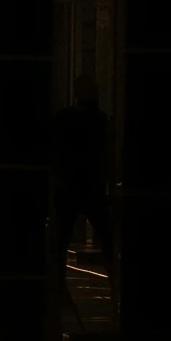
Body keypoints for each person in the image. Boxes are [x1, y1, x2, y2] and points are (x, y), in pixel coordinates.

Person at [49, 72, 114, 294]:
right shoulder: (99, 120)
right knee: (106, 238)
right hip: (89, 186)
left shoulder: (64, 118)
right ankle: (116, 284)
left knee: (61, 241)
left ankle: (58, 286)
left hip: (71, 186)